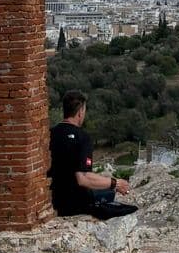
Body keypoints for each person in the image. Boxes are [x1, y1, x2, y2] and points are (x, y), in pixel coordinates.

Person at [48, 90, 138, 219]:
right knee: (132, 209)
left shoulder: (50, 134)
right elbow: (83, 178)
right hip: (77, 205)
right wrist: (115, 183)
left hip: (55, 200)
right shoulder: (82, 138)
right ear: (80, 112)